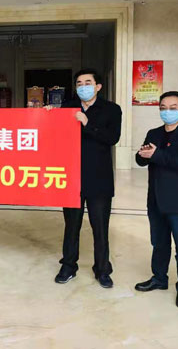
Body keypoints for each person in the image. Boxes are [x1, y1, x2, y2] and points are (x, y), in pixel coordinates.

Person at [52, 68, 122, 287]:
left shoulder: (112, 109)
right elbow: (53, 133)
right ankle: (68, 265)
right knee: (71, 225)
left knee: (99, 227)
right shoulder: (67, 107)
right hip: (72, 176)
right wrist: (47, 115)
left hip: (99, 178)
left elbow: (112, 138)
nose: (83, 87)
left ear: (98, 87)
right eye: (79, 84)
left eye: (88, 83)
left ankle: (102, 269)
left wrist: (86, 123)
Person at [135, 91, 178, 308]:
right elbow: (141, 160)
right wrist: (142, 154)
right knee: (159, 243)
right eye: (163, 108)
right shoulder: (153, 133)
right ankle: (159, 278)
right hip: (156, 199)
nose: (167, 112)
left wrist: (156, 155)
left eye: (173, 108)